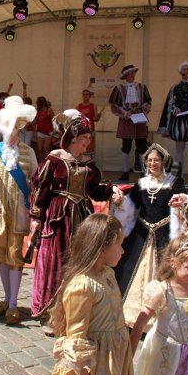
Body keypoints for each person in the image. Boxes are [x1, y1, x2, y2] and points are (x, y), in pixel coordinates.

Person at [30, 110, 122, 323]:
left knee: (80, 259)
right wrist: (36, 216)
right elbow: (40, 187)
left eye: (89, 138)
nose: (87, 142)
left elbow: (95, 191)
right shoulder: (54, 159)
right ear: (72, 138)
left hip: (81, 217)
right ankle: (52, 312)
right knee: (55, 260)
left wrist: (112, 191)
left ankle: (76, 308)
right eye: (84, 138)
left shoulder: (89, 164)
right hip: (58, 217)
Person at [111, 143, 188, 329]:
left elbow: (186, 198)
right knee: (128, 269)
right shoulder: (141, 183)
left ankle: (158, 321)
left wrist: (182, 201)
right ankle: (130, 316)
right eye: (149, 160)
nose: (152, 164)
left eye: (156, 160)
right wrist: (120, 201)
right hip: (141, 233)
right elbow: (131, 205)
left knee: (164, 273)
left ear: (164, 162)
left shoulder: (174, 182)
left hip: (164, 234)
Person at [49, 214, 134, 375]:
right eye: (119, 244)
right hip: (95, 367)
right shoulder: (82, 286)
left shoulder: (107, 274)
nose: (123, 251)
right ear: (102, 249)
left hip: (114, 359)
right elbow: (76, 341)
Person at [0, 95, 38, 325]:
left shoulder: (28, 152)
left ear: (19, 127)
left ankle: (14, 304)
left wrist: (34, 207)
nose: (10, 130)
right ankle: (6, 299)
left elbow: (36, 181)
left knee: (15, 256)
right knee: (2, 256)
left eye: (14, 125)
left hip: (19, 212)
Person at [130, 234, 188, 375]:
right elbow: (140, 324)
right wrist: (129, 354)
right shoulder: (162, 291)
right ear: (173, 263)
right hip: (164, 354)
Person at [159, 61, 188, 185]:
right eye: (183, 69)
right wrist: (175, 110)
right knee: (178, 149)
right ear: (180, 72)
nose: (186, 71)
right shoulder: (175, 88)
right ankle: (177, 175)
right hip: (180, 122)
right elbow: (170, 104)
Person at [109, 64, 152, 181]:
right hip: (126, 120)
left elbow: (148, 101)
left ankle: (143, 172)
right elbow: (113, 105)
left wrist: (145, 108)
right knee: (126, 146)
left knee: (142, 146)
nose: (133, 75)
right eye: (130, 73)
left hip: (139, 119)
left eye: (134, 73)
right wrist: (124, 113)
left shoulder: (142, 87)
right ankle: (125, 172)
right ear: (126, 75)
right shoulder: (119, 88)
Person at [76, 89, 102, 156]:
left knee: (91, 150)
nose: (85, 96)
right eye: (84, 94)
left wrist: (99, 115)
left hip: (91, 131)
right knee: (81, 149)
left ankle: (91, 162)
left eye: (87, 94)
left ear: (89, 96)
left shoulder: (93, 106)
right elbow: (76, 120)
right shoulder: (78, 106)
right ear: (82, 96)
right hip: (81, 131)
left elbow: (96, 119)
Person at [35, 96, 54, 161]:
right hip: (40, 131)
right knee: (39, 150)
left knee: (45, 149)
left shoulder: (49, 110)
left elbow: (54, 118)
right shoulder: (37, 111)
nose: (36, 103)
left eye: (37, 102)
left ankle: (47, 163)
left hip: (48, 132)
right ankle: (41, 163)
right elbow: (36, 121)